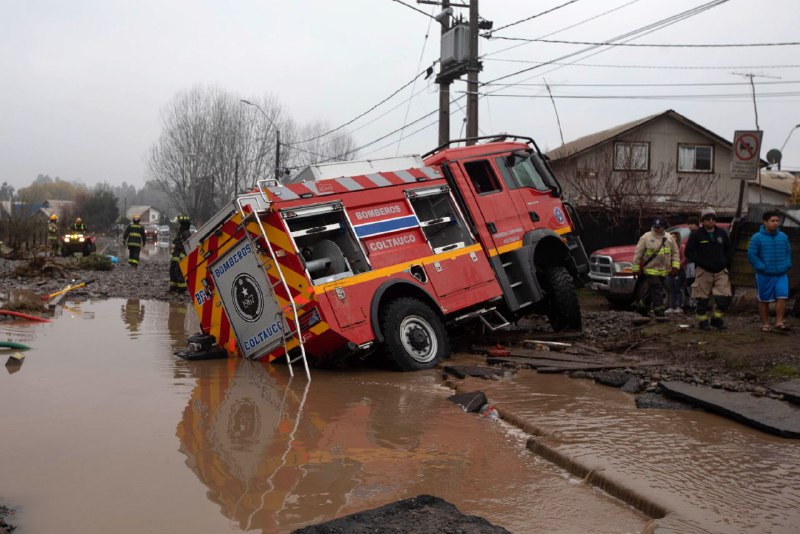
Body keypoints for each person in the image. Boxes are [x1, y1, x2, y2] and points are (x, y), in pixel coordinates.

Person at [684, 208, 732, 331]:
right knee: (702, 299)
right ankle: (702, 321)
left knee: (723, 297)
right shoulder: (696, 234)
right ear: (703, 221)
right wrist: (700, 262)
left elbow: (728, 249)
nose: (710, 221)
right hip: (703, 270)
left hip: (721, 270)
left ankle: (717, 320)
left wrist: (725, 262)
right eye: (707, 219)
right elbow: (688, 252)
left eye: (712, 219)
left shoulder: (722, 233)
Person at [747, 210, 792, 332]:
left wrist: (788, 264)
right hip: (764, 274)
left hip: (781, 273)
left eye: (777, 221)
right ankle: (765, 324)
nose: (776, 223)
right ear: (765, 222)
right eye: (773, 221)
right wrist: (761, 266)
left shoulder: (783, 236)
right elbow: (751, 255)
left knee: (782, 296)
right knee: (764, 300)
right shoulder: (757, 237)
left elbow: (788, 251)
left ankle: (779, 322)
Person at [631, 217, 680, 318]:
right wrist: (635, 268)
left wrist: (675, 266)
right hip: (650, 270)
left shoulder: (669, 238)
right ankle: (659, 312)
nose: (657, 229)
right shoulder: (646, 237)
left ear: (663, 227)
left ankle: (642, 308)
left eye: (659, 227)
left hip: (663, 270)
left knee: (651, 290)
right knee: (657, 289)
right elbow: (638, 253)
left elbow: (675, 252)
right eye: (655, 227)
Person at [170, 216, 192, 292]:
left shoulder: (186, 233)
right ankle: (173, 286)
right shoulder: (180, 232)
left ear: (183, 224)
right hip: (176, 254)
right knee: (172, 270)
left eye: (179, 224)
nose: (178, 225)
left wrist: (183, 255)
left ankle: (182, 288)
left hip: (181, 255)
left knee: (179, 271)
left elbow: (188, 246)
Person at [665, 230, 685, 314]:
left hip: (679, 271)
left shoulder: (682, 247)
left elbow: (684, 258)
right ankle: (671, 306)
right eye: (670, 237)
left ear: (677, 238)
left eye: (674, 237)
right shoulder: (667, 248)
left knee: (678, 289)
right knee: (671, 289)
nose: (672, 238)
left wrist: (677, 267)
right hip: (669, 271)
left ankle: (679, 306)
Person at [683, 216, 700, 312]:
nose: (689, 226)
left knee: (694, 283)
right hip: (690, 263)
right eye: (688, 224)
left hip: (695, 263)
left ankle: (695, 304)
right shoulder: (691, 234)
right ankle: (691, 302)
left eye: (691, 224)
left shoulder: (698, 234)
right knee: (689, 282)